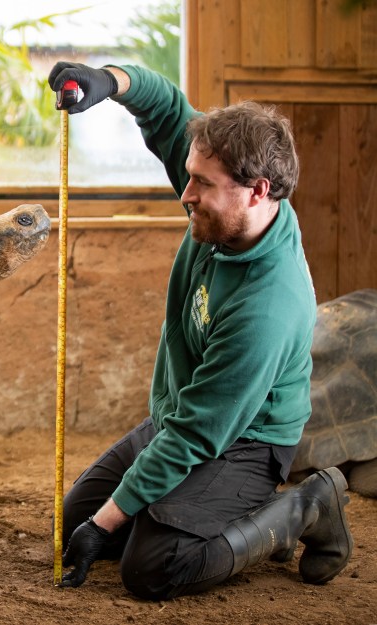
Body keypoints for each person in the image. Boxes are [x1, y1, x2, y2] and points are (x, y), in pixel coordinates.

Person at [47, 62, 354, 600]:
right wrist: (106, 79)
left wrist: (105, 525)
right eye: (188, 174)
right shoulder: (222, 207)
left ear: (256, 191)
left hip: (245, 441)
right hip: (186, 415)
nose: (185, 193)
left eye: (201, 185)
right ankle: (212, 515)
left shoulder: (269, 304)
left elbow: (197, 434)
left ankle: (304, 505)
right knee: (74, 517)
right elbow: (165, 107)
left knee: (151, 567)